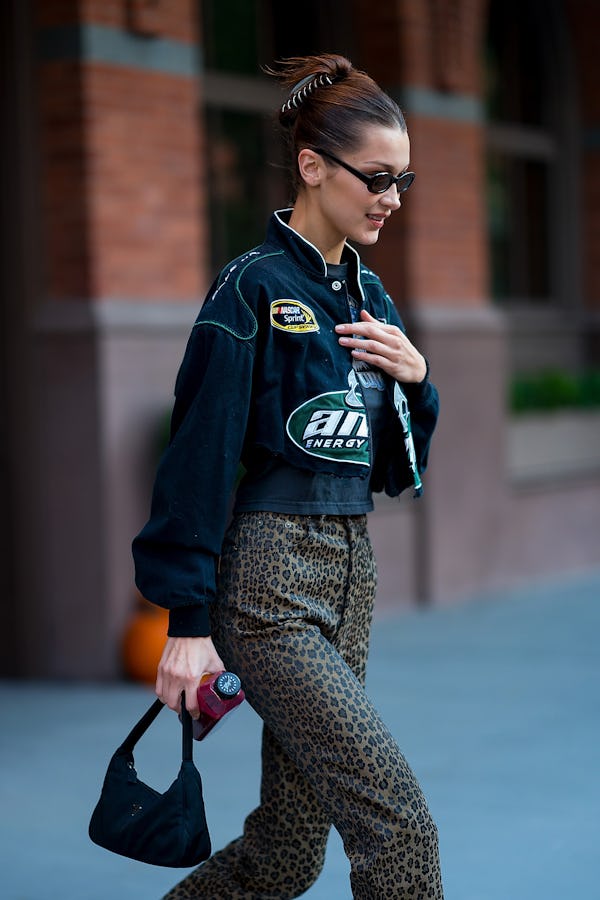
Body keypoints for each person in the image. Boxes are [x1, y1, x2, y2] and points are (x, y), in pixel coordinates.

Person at [133, 52, 444, 900]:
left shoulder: (373, 299)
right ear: (312, 167)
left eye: (403, 179)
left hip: (352, 574)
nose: (392, 197)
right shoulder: (251, 289)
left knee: (286, 852)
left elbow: (393, 468)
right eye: (376, 177)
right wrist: (186, 621)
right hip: (269, 584)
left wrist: (418, 381)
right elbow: (197, 457)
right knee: (398, 824)